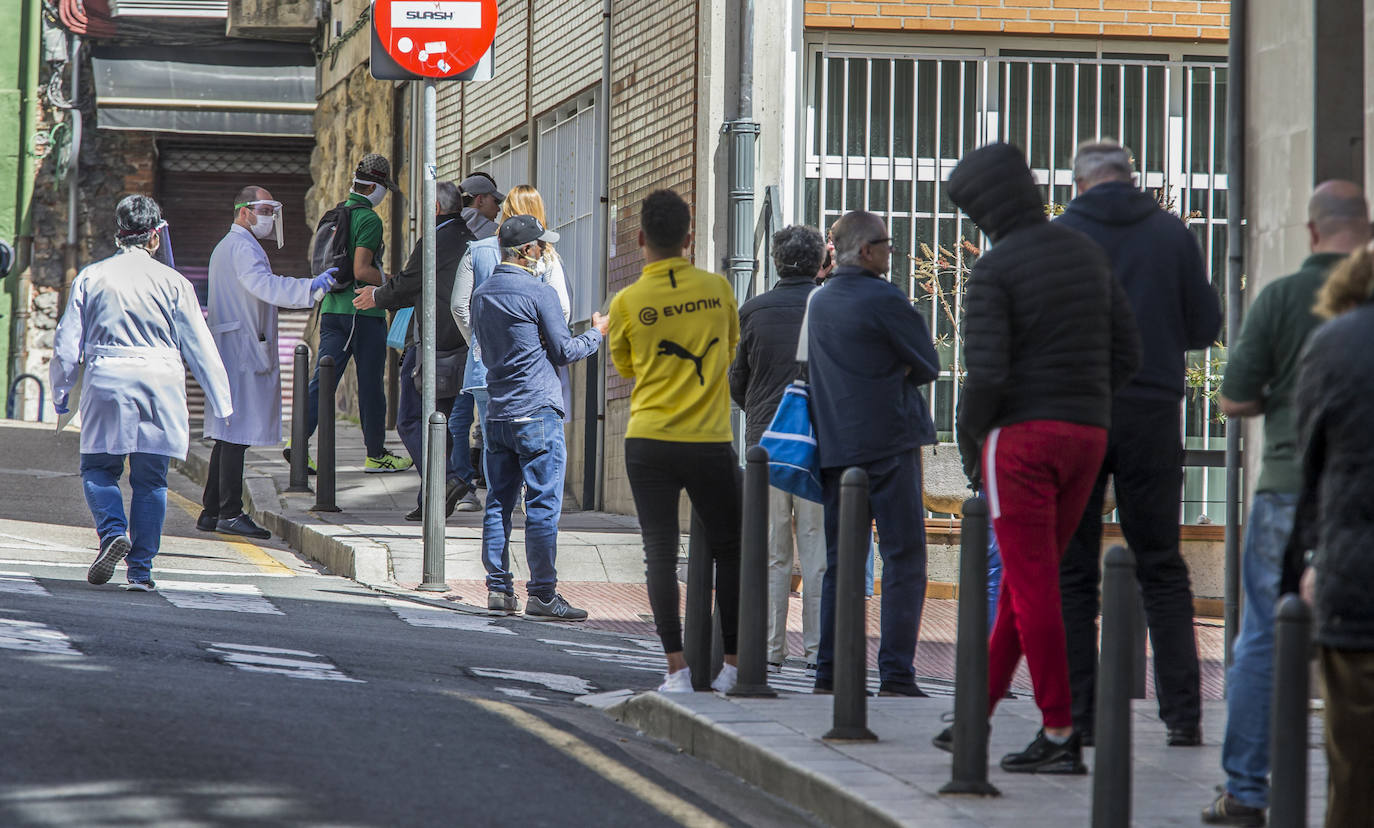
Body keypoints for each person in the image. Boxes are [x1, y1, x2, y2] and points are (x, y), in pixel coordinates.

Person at [939, 143, 1141, 774]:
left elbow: (987, 376)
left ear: (985, 210)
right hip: (1087, 435)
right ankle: (977, 710)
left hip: (1020, 443)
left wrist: (973, 441)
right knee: (1026, 586)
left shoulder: (995, 271)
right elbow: (1128, 352)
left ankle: (1059, 731)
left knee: (1035, 588)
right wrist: (1089, 402)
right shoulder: (1085, 252)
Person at [1200, 181, 1369, 826]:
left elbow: (1233, 398)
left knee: (1267, 638)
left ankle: (1245, 789)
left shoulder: (1279, 298)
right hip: (1362, 486)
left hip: (1286, 484)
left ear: (1312, 231)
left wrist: (1284, 392)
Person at [1055, 141, 1222, 746]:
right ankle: (1183, 716)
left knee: (1072, 570)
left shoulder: (1063, 236)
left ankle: (1079, 718)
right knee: (1162, 564)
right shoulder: (1172, 235)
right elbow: (1206, 327)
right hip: (1153, 411)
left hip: (1077, 414)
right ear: (1132, 180)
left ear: (1080, 183)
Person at [50, 195, 233, 591]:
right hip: (159, 381)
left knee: (99, 468)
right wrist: (222, 402)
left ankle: (113, 531)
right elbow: (199, 344)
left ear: (118, 234)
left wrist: (61, 392)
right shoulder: (174, 282)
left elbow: (67, 344)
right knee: (152, 480)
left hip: (107, 378)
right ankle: (141, 572)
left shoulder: (92, 276)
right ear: (155, 237)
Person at [607, 189, 742, 693]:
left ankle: (676, 668)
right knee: (730, 549)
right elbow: (728, 350)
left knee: (659, 552)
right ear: (689, 238)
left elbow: (625, 366)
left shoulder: (626, 302)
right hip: (709, 440)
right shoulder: (718, 290)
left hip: (649, 440)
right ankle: (730, 666)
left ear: (641, 238)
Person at [806, 210, 940, 698]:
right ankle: (897, 674)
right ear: (866, 251)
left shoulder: (818, 302)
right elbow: (928, 363)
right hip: (889, 445)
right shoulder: (885, 297)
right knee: (904, 556)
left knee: (843, 562)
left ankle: (830, 670)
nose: (892, 251)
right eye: (887, 243)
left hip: (837, 448)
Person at [470, 214, 604, 621]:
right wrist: (598, 332)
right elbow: (565, 351)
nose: (545, 251)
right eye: (541, 245)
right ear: (527, 251)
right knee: (542, 505)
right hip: (537, 412)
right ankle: (543, 595)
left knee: (498, 502)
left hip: (497, 413)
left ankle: (498, 590)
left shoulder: (482, 294)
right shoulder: (538, 291)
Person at [1287, 241, 1374, 828]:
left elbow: (1310, 465)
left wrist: (1305, 561)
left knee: (1354, 775)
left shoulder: (1336, 343)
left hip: (1357, 584)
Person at [200, 187, 338, 540]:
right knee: (235, 434)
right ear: (244, 211)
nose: (269, 217)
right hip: (242, 350)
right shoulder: (242, 247)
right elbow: (263, 285)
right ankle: (229, 511)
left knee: (227, 433)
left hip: (235, 346)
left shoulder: (228, 246)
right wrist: (312, 287)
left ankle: (212, 510)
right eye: (263, 209)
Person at [729, 224, 827, 674]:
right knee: (816, 555)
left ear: (774, 261)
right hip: (815, 447)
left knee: (772, 552)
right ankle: (816, 649)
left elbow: (738, 381)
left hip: (764, 445)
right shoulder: (828, 305)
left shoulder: (753, 309)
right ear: (819, 263)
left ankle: (771, 647)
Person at [353, 180, 476, 521]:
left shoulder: (435, 240)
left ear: (435, 209)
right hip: (462, 346)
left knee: (410, 419)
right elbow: (422, 287)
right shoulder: (470, 240)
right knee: (442, 421)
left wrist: (377, 296)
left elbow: (409, 281)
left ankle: (449, 478)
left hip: (433, 345)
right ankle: (432, 499)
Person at [290, 153, 413, 474]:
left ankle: (298, 445)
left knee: (323, 379)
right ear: (374, 186)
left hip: (330, 309)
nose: (385, 193)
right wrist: (394, 283)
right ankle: (376, 455)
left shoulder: (337, 213)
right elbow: (361, 268)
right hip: (362, 313)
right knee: (372, 385)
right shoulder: (369, 219)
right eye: (384, 187)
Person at [452, 184, 572, 509]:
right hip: (533, 371)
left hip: (483, 368)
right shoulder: (544, 254)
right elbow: (561, 309)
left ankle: (497, 507)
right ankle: (528, 506)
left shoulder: (477, 250)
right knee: (535, 445)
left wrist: (481, 343)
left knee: (495, 448)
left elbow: (460, 306)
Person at [460, 173, 503, 240]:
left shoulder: (443, 228)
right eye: (496, 201)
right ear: (480, 200)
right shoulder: (497, 234)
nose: (499, 209)